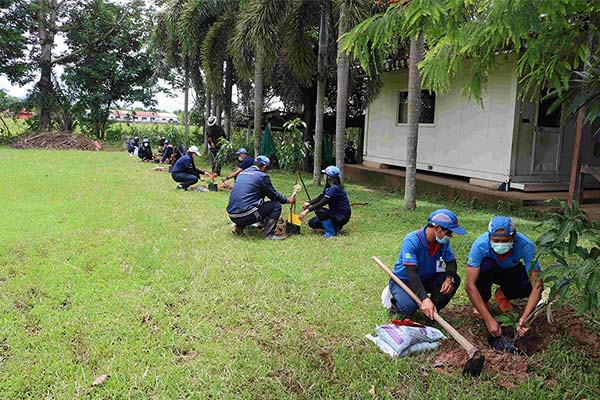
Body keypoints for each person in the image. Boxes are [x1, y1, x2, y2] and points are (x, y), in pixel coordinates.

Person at [465, 216, 543, 338]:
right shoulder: (480, 245)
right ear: (489, 237)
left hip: (510, 270)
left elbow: (537, 285)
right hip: (488, 270)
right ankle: (483, 303)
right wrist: (488, 319)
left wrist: (525, 317)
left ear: (513, 237)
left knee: (527, 285)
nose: (500, 244)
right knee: (485, 267)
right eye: (496, 240)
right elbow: (470, 285)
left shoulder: (526, 245)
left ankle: (501, 295)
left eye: (505, 240)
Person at [389, 209, 466, 320]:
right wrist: (424, 299)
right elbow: (411, 273)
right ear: (437, 229)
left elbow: (451, 262)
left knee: (455, 280)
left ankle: (433, 311)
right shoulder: (412, 240)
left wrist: (449, 279)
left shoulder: (442, 242)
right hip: (404, 281)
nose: (450, 236)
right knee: (409, 307)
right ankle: (396, 304)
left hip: (426, 279)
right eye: (448, 233)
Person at [226, 155, 295, 240]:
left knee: (249, 204)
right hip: (246, 215)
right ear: (264, 167)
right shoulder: (262, 176)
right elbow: (273, 196)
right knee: (276, 205)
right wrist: (287, 200)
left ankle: (239, 226)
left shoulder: (242, 173)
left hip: (232, 215)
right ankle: (269, 235)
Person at [298, 166, 351, 238]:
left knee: (320, 210)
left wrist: (306, 211)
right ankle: (336, 227)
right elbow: (320, 197)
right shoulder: (329, 187)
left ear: (329, 177)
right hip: (335, 214)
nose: (324, 175)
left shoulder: (334, 189)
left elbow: (322, 202)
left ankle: (330, 232)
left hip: (342, 217)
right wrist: (309, 203)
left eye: (325, 174)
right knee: (312, 223)